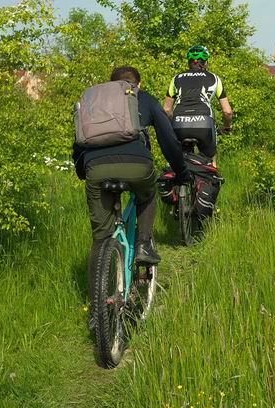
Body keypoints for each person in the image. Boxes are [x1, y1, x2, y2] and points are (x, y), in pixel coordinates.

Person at [72, 66, 191, 289]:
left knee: (100, 239)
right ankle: (143, 245)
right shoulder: (143, 97)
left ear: (111, 84)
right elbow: (168, 140)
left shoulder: (95, 102)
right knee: (147, 195)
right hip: (137, 165)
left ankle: (97, 309)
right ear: (139, 83)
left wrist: (83, 172)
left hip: (96, 168)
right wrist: (181, 172)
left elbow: (79, 142)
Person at [163, 45, 233, 167]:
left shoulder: (176, 78)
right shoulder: (214, 78)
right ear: (205, 63)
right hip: (204, 123)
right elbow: (227, 111)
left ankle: (173, 180)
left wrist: (170, 126)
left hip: (179, 123)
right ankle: (211, 181)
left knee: (174, 162)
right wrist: (226, 126)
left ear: (189, 62)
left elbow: (167, 109)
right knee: (210, 161)